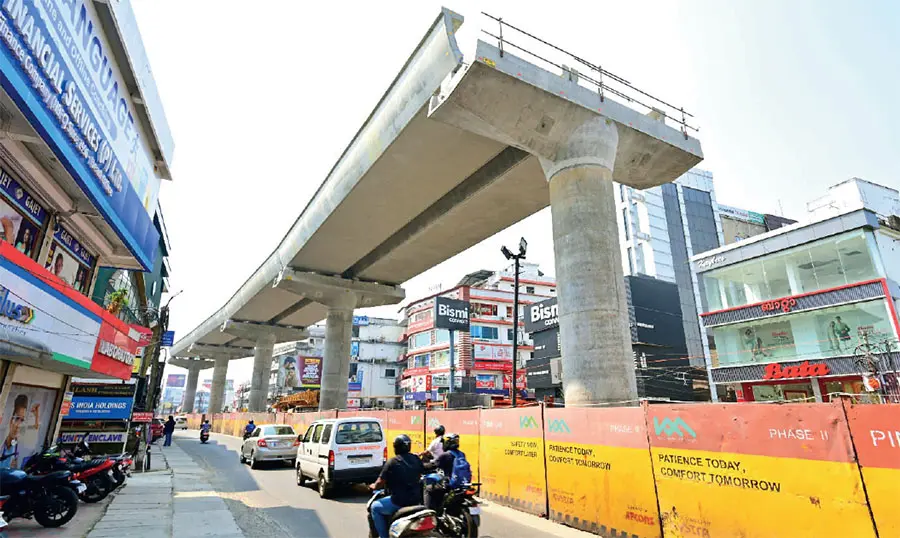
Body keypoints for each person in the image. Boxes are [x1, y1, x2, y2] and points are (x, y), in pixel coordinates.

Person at [369, 435, 425, 538]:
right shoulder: (416, 459)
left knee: (375, 507)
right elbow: (421, 474)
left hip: (398, 502)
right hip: (416, 501)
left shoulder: (392, 462)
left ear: (396, 447)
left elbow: (380, 482)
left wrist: (373, 486)